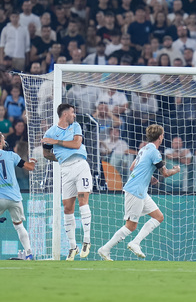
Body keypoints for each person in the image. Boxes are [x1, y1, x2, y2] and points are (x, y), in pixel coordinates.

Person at [98, 124, 180, 261]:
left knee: (159, 217)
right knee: (131, 226)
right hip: (135, 190)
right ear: (160, 137)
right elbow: (165, 173)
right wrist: (176, 170)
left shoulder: (143, 149)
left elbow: (132, 167)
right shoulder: (155, 152)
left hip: (140, 190)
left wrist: (150, 176)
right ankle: (105, 249)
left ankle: (135, 243)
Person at [41, 103, 93, 261]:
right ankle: (72, 246)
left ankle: (86, 241)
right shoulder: (50, 132)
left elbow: (77, 144)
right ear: (64, 115)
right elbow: (46, 154)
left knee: (83, 201)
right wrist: (62, 157)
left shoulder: (75, 126)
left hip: (80, 165)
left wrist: (56, 143)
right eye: (72, 113)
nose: (74, 115)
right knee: (67, 208)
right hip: (65, 169)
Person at [0, 132, 36, 259]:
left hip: (0, 198)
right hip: (15, 198)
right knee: (19, 226)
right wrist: (33, 162)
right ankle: (29, 253)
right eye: (3, 139)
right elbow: (30, 167)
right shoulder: (11, 155)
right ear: (1, 143)